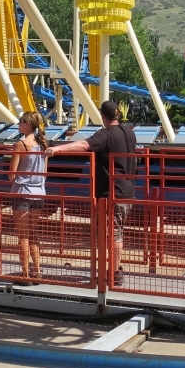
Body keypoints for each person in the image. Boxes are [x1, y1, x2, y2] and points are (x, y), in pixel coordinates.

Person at [46, 101, 136, 285]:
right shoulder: (130, 133)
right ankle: (113, 271)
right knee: (117, 231)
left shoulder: (106, 134)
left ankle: (112, 272)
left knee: (109, 233)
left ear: (103, 116)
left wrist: (58, 148)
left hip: (110, 192)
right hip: (127, 190)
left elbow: (84, 145)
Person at [9, 111, 47, 282]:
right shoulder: (43, 145)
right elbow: (45, 172)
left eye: (21, 121)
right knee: (33, 233)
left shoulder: (21, 144)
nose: (19, 123)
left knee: (23, 235)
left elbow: (12, 174)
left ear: (28, 124)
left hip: (22, 192)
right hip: (39, 193)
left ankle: (25, 274)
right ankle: (38, 270)